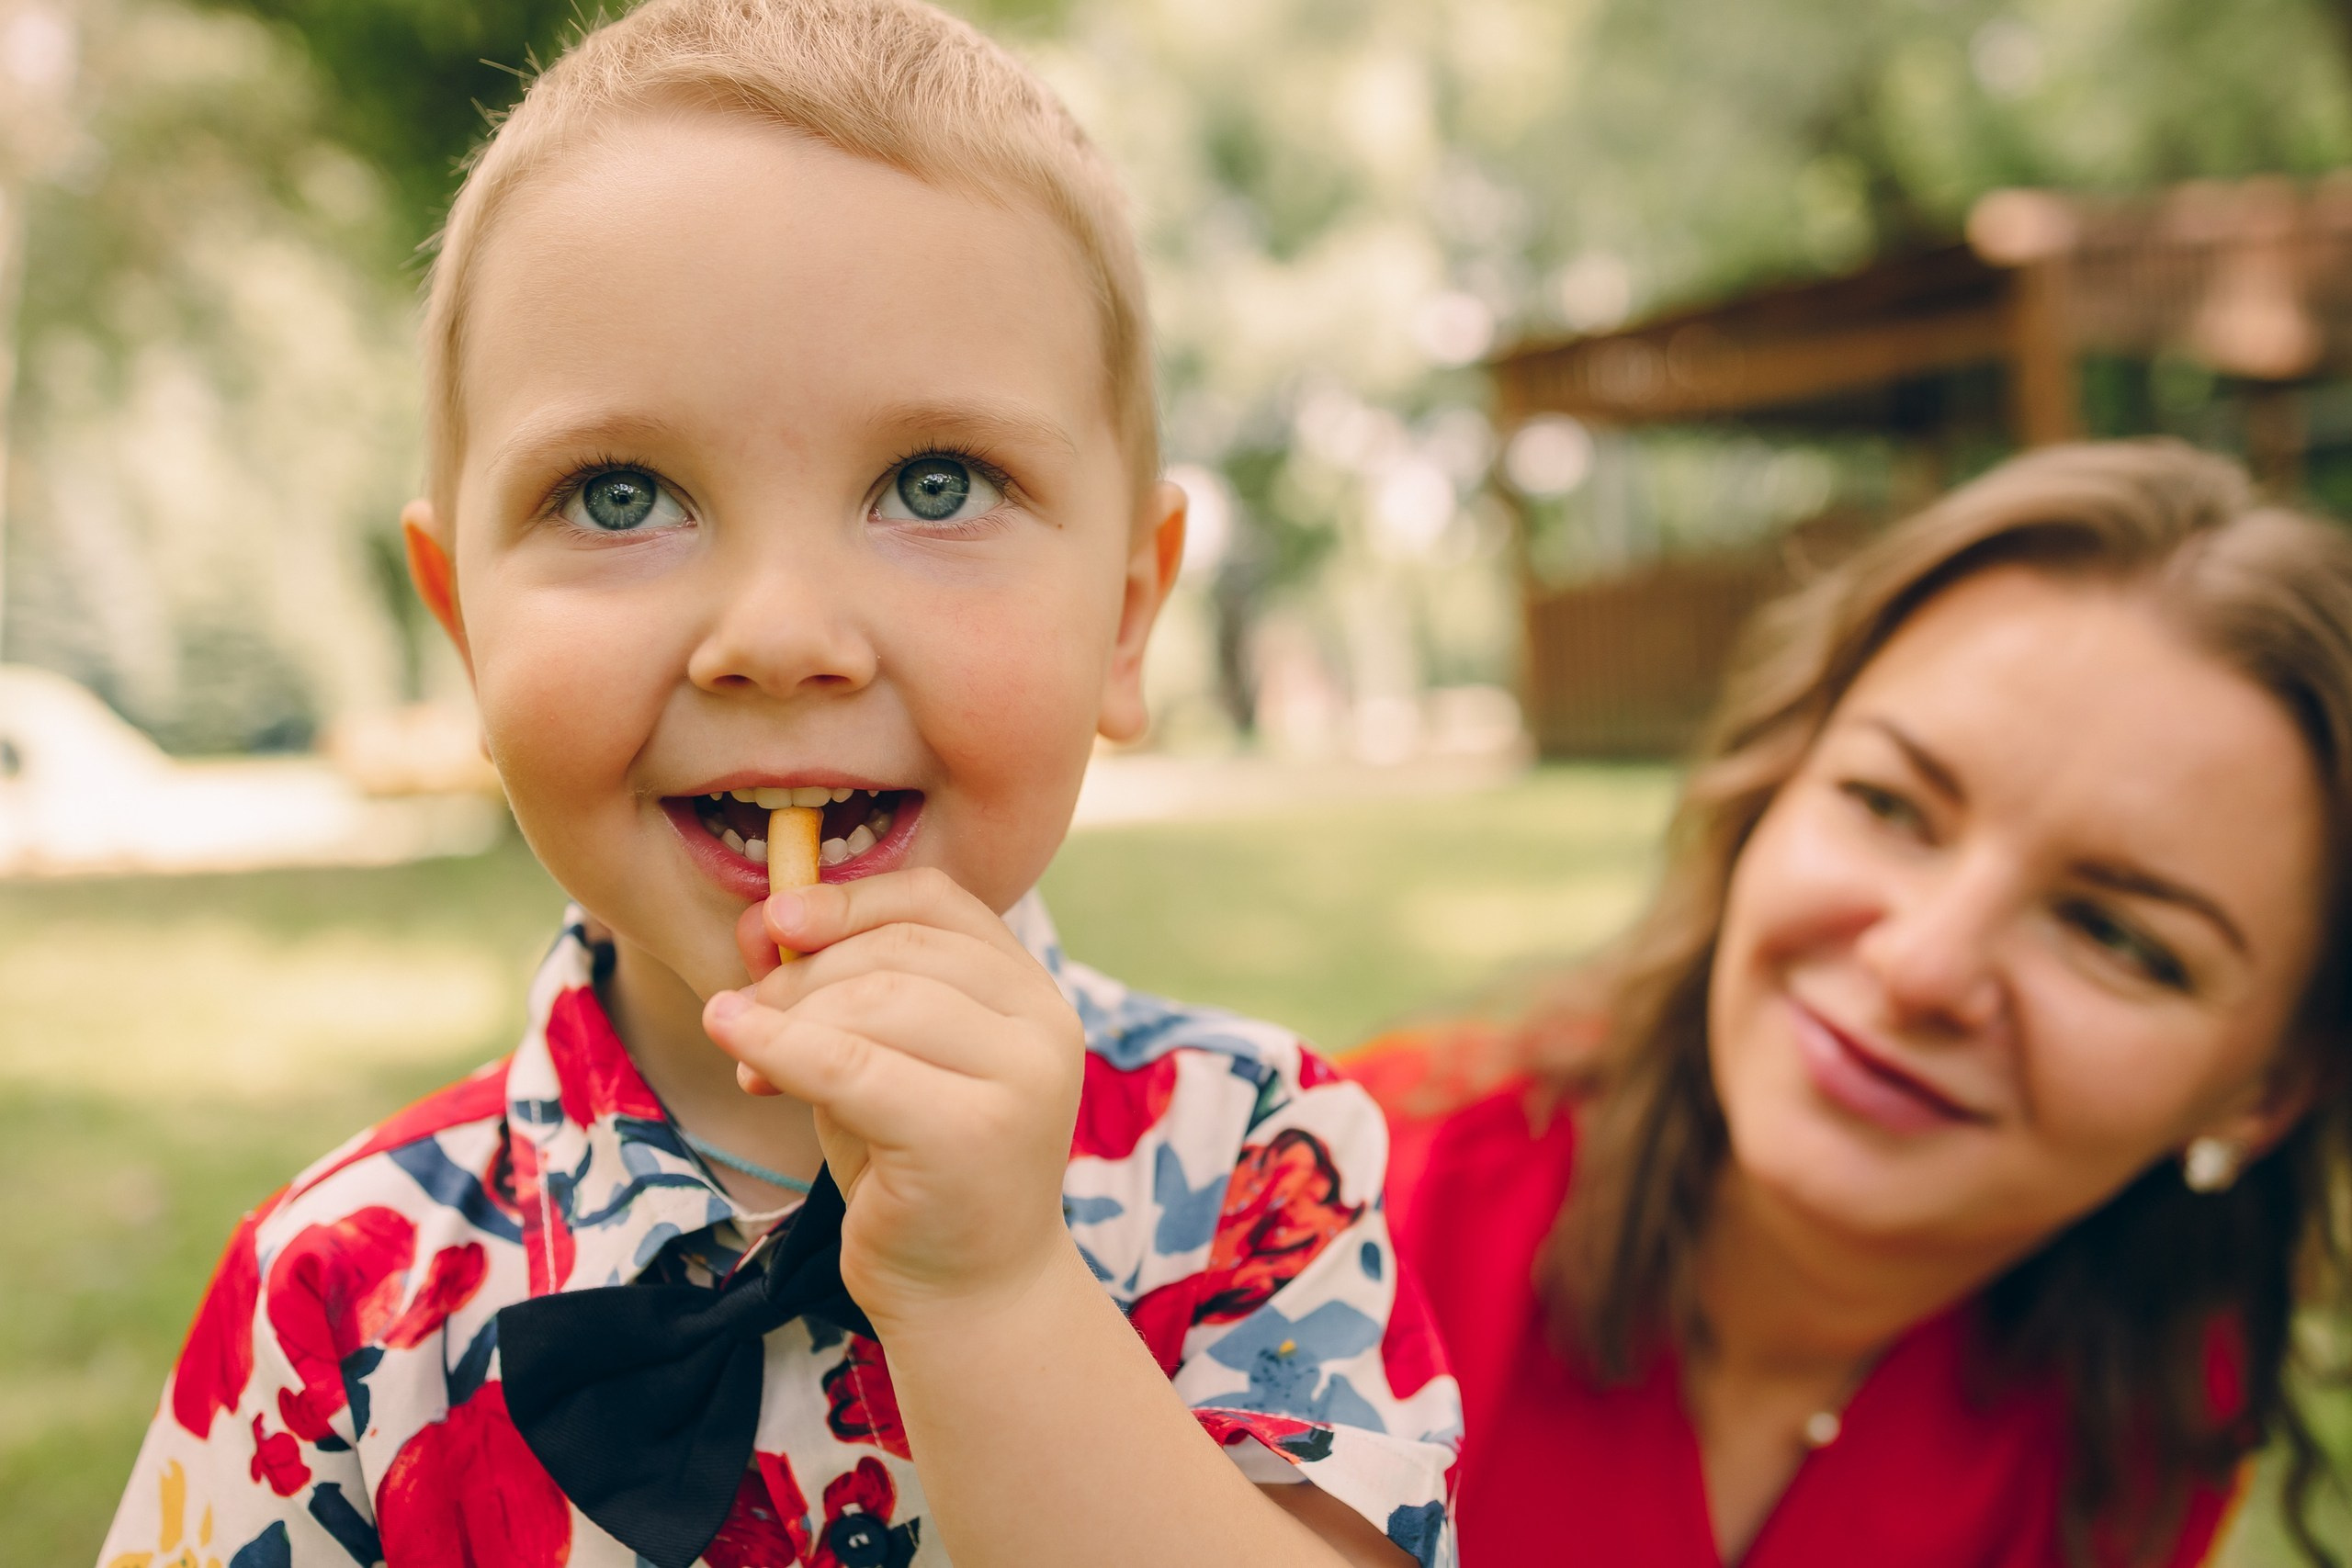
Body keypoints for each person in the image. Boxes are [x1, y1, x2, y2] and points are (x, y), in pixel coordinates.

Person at [95, 4, 1459, 1565]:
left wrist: (997, 1293)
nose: (782, 635)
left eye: (934, 484)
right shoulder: (338, 1285)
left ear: (1129, 616)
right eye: (623, 495)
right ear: (465, 626)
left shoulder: (1256, 1164)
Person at [1364, 441, 2352, 1566]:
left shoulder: (2151, 1396)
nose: (1920, 967)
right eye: (1888, 802)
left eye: (2115, 936)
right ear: (1770, 788)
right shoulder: (1329, 1216)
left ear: (2265, 1090)